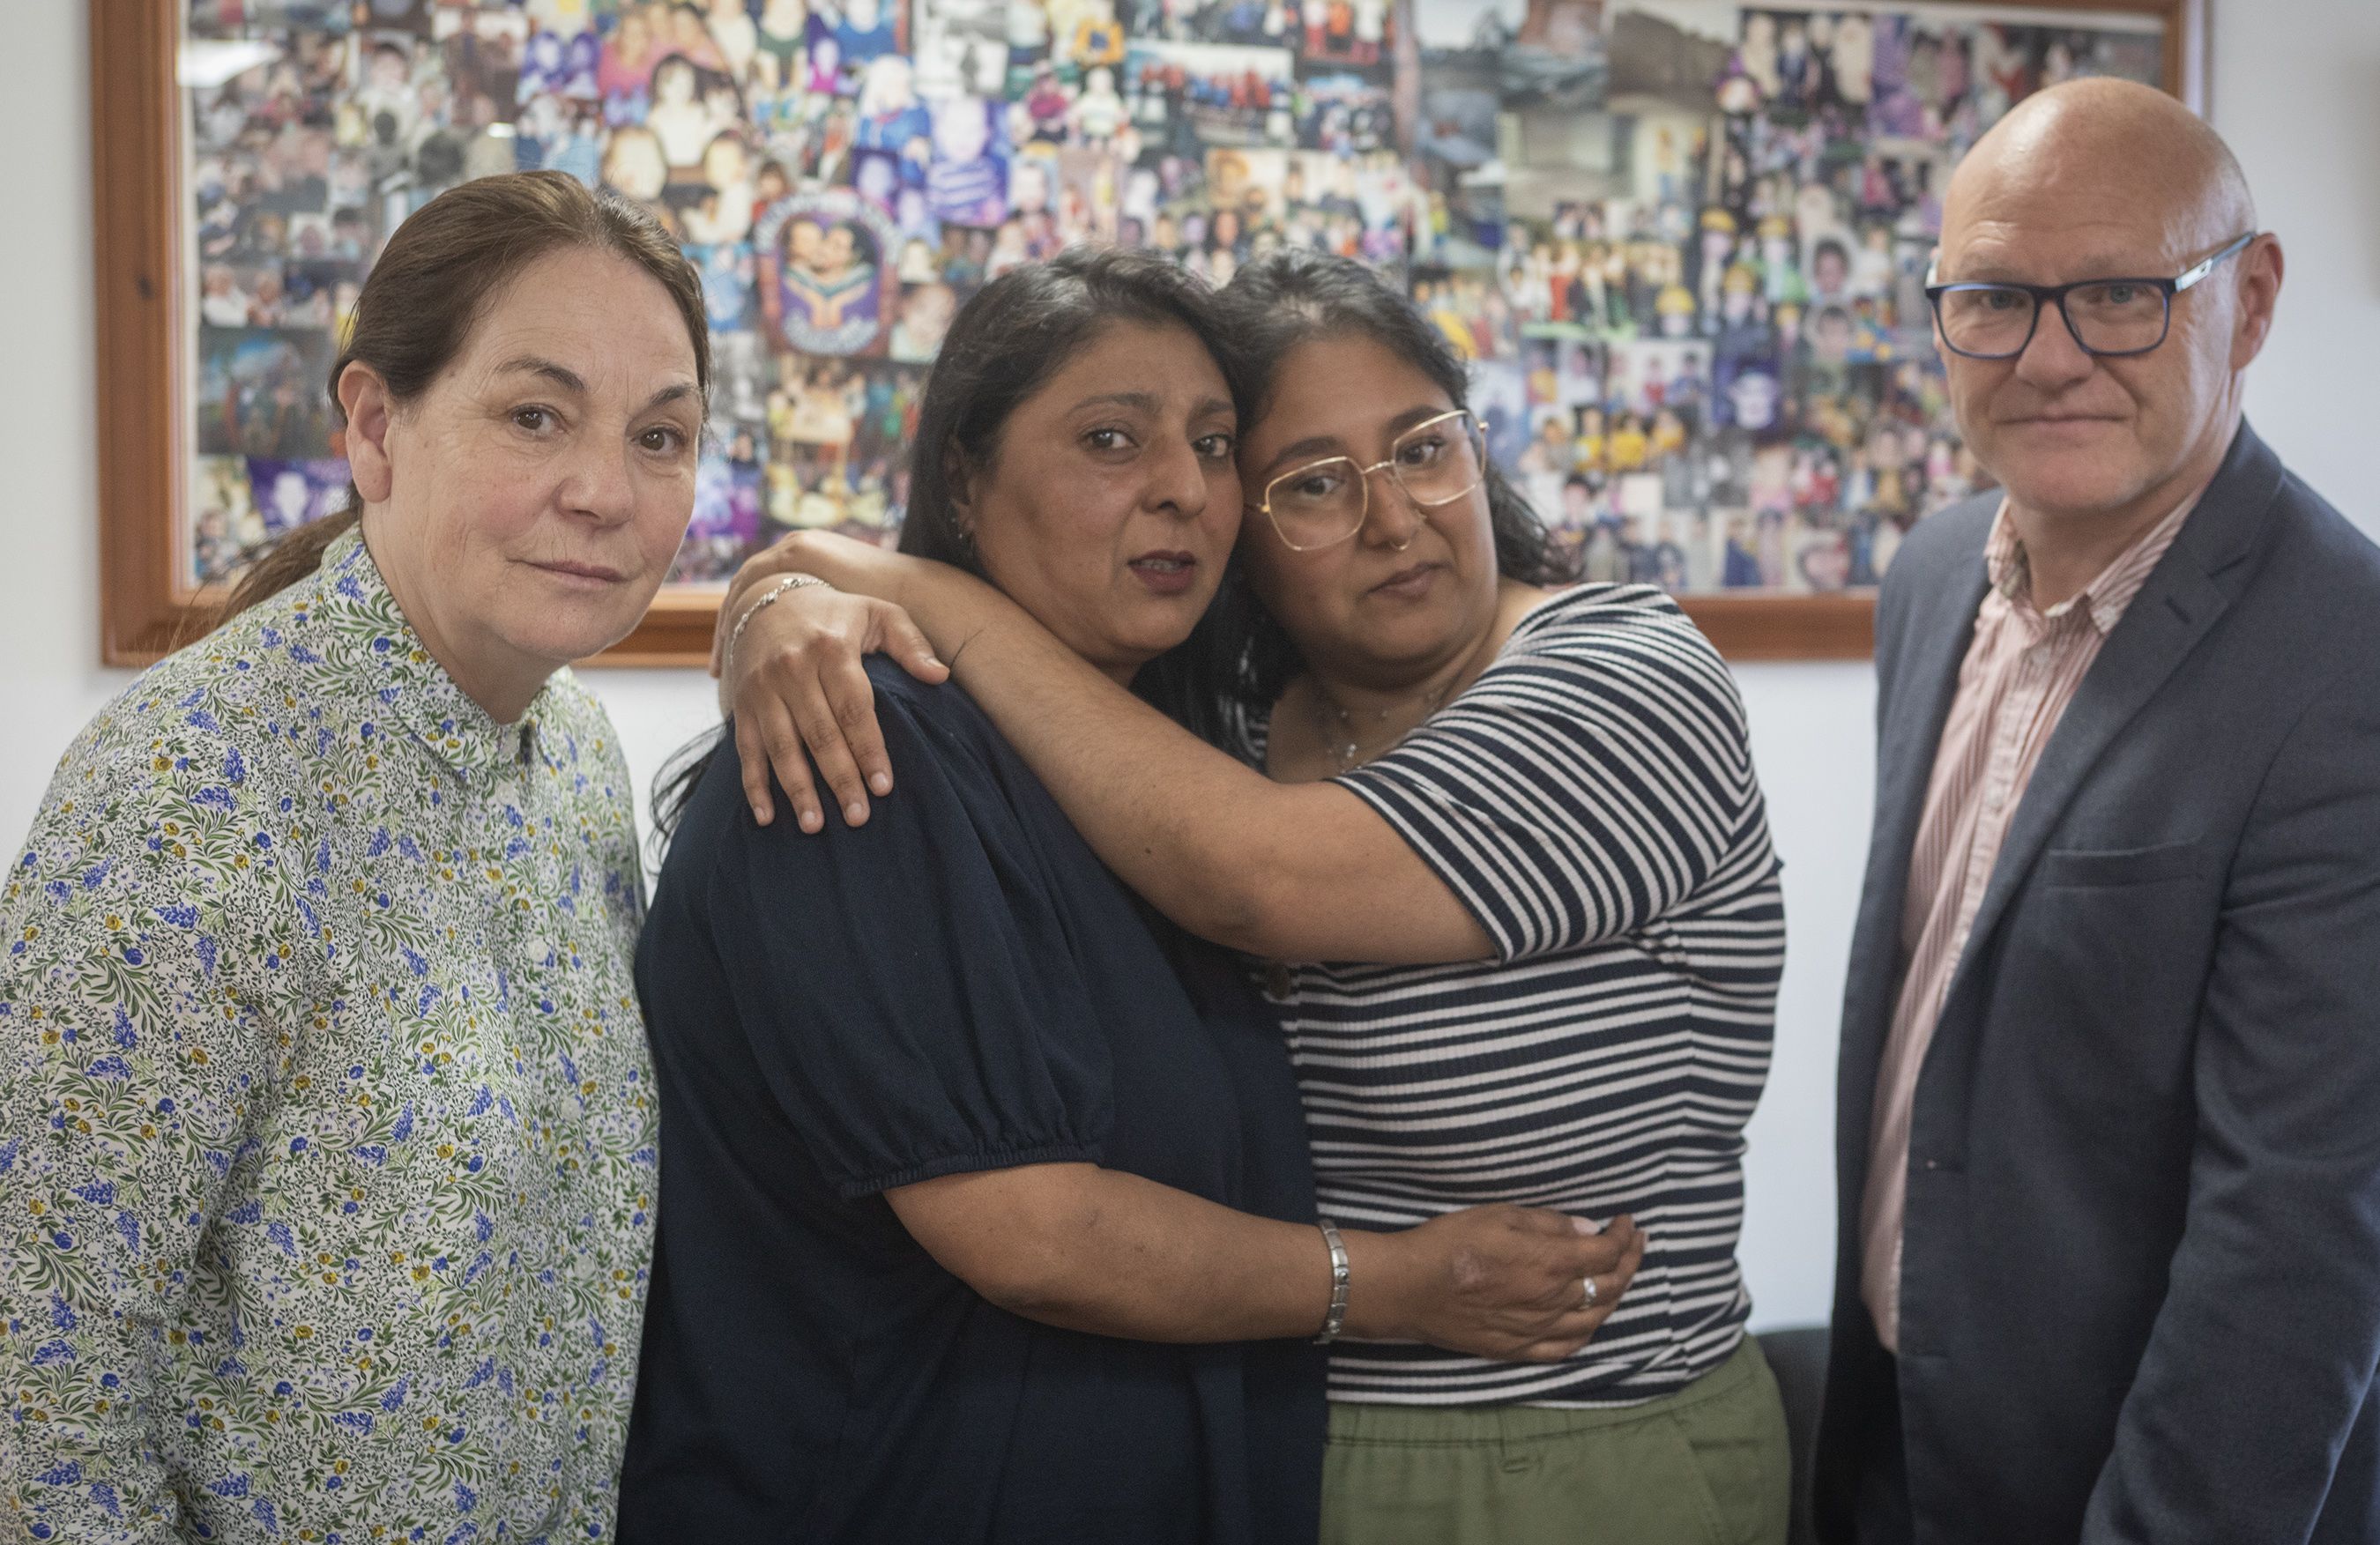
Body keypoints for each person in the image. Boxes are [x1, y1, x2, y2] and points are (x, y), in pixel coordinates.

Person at [712, 249, 1791, 1545]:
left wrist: (900, 580)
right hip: (1278, 1433)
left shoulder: (1625, 678)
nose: (1393, 518)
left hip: (1581, 1436)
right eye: (1314, 483)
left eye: (1424, 448)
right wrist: (778, 594)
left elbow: (1254, 877)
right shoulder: (1196, 730)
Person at [0, 172, 708, 1542]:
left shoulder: (572, 756)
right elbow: (38, 1390)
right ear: (376, 426)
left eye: (662, 436)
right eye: (534, 415)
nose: (605, 490)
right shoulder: (187, 796)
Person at [1811, 79, 2380, 1543]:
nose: (2051, 355)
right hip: (1890, 1443)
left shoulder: (2346, 660)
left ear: (2247, 305)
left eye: (2123, 292)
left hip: (2124, 1489)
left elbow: (2301, 1239)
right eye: (1995, 296)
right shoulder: (1935, 575)